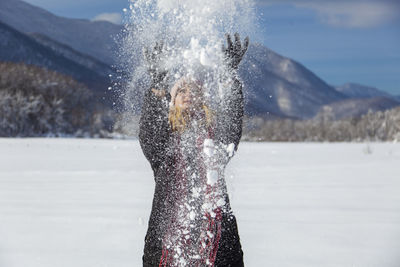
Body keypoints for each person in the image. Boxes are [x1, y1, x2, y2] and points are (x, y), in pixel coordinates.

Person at [139, 33, 249, 267]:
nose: (188, 94)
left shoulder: (216, 140)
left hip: (218, 240)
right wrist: (158, 86)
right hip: (166, 241)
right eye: (181, 91)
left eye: (194, 91)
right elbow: (149, 130)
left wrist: (228, 76)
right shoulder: (164, 141)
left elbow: (232, 120)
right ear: (172, 100)